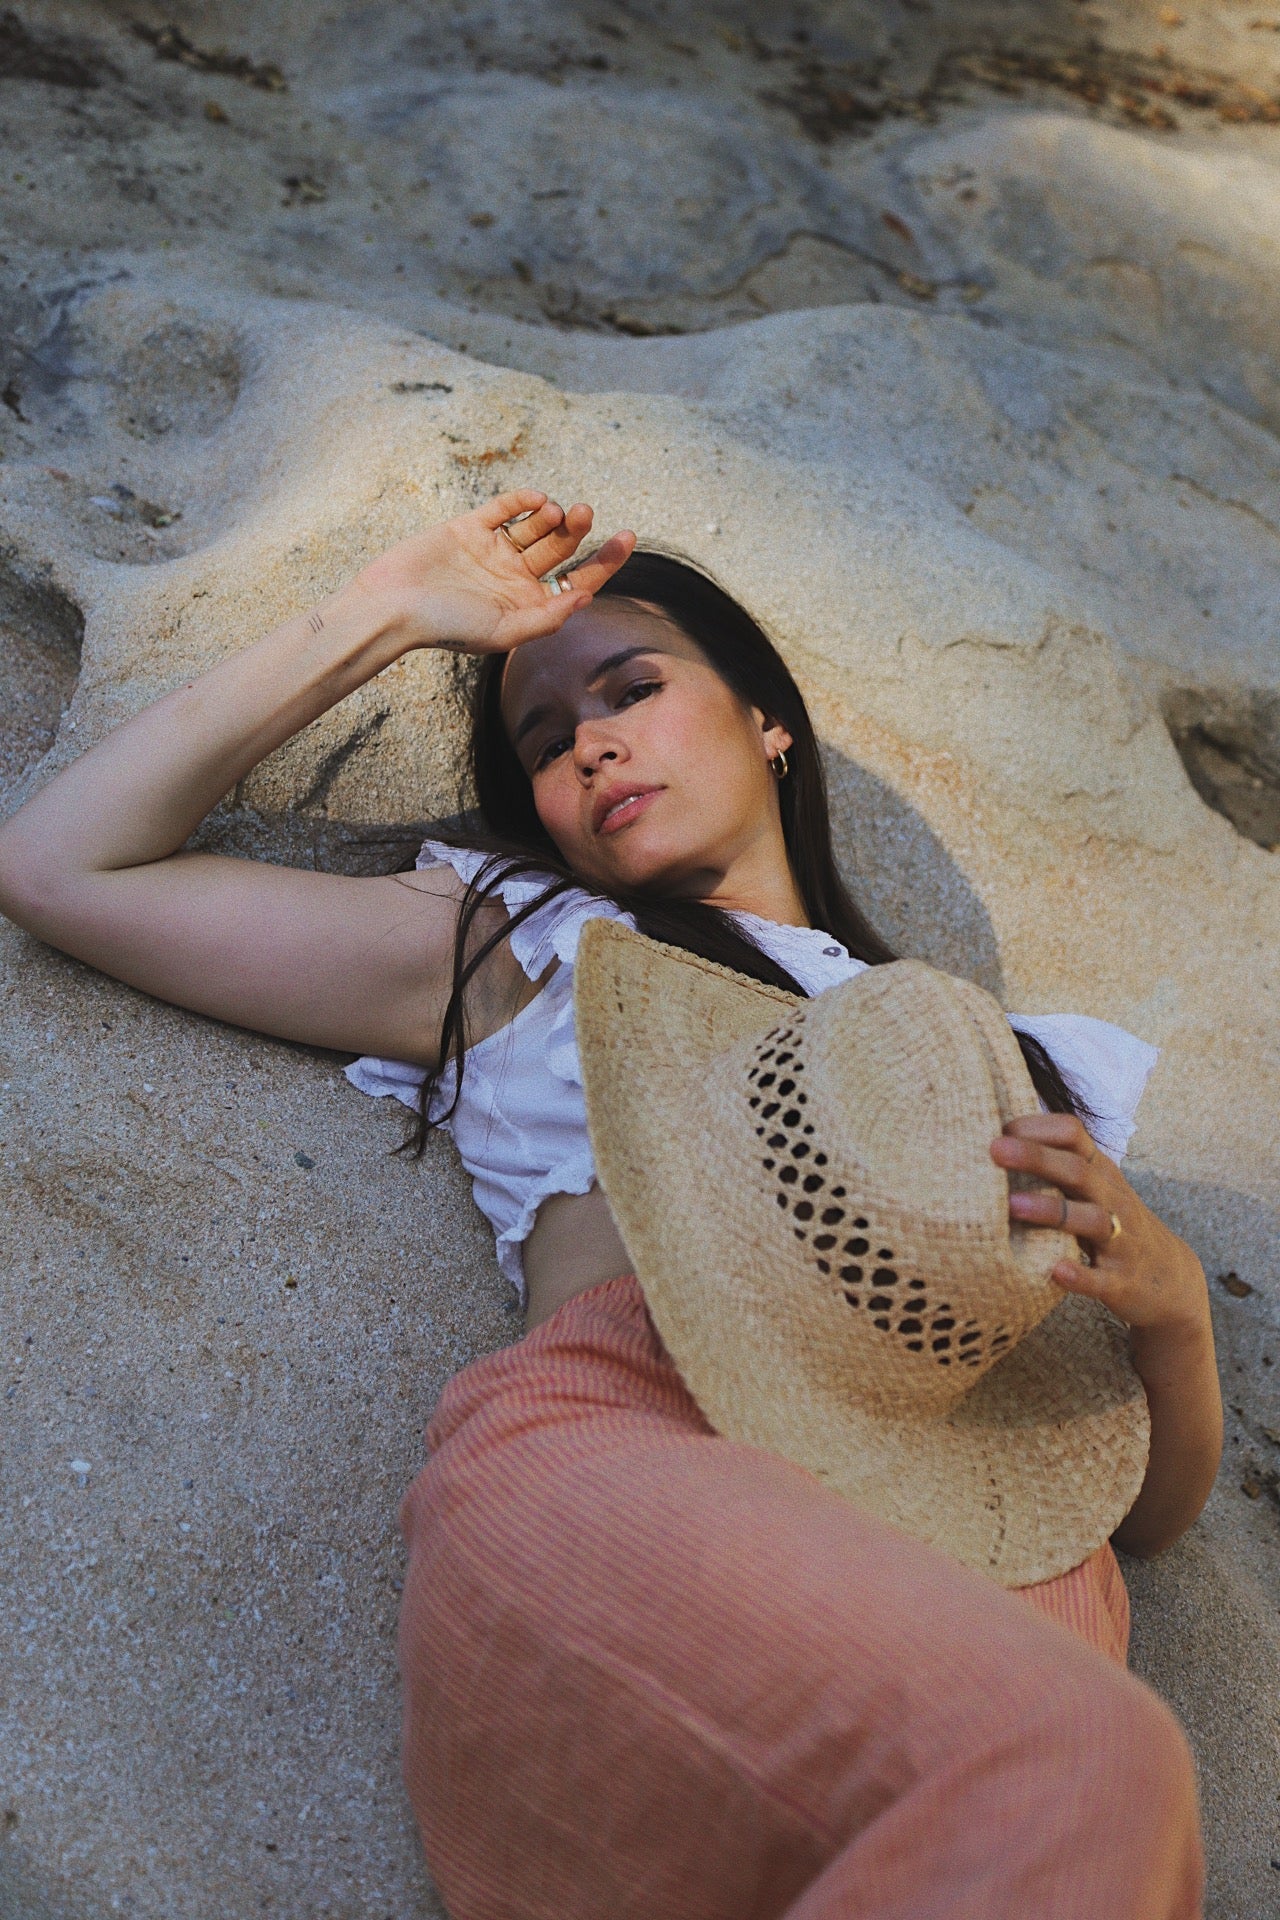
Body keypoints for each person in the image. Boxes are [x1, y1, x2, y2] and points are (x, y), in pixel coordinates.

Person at [0, 489, 1222, 1918]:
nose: (587, 739)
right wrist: (383, 613)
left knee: (1085, 1793)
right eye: (544, 742)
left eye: (632, 688)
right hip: (648, 1446)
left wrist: (1177, 1318)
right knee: (1085, 1768)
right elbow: (59, 864)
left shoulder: (984, 1059)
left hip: (986, 1513)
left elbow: (1128, 1503)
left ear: (772, 722)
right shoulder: (535, 948)